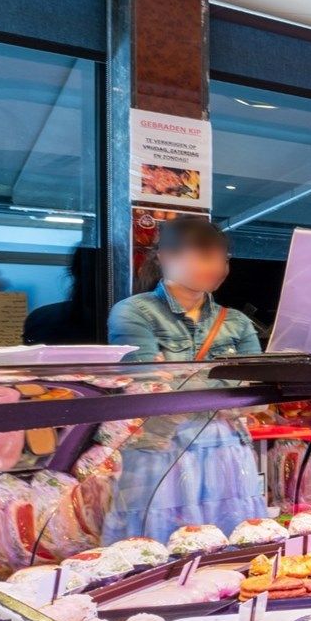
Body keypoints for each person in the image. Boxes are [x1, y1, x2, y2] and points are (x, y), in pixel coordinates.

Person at [104, 216, 266, 541]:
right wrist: (224, 382)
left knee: (234, 545)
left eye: (223, 258)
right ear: (166, 257)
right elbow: (149, 387)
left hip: (225, 448)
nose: (217, 266)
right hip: (160, 449)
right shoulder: (133, 312)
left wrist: (181, 376)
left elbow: (255, 388)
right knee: (157, 548)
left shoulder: (237, 321)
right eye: (204, 255)